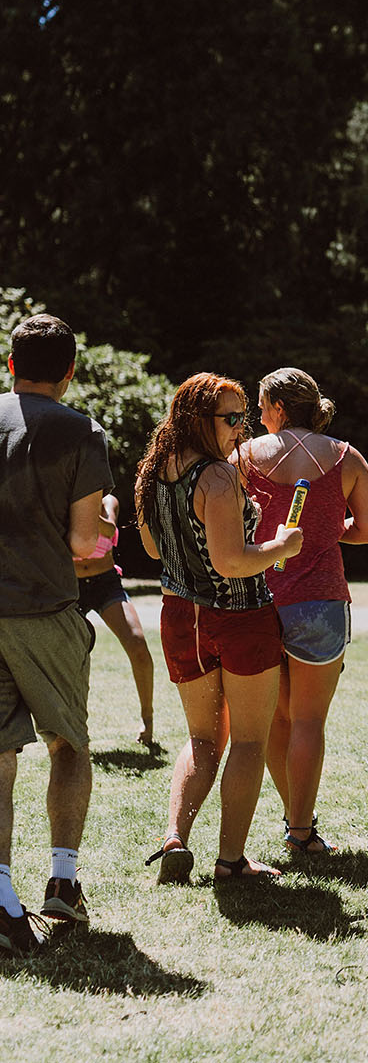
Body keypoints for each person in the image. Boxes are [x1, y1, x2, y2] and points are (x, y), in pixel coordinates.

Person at [136, 372, 302, 882]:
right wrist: (282, 546)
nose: (240, 429)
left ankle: (174, 839)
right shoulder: (217, 477)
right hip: (239, 616)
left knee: (204, 738)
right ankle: (231, 861)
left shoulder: (153, 471)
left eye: (242, 418)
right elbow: (231, 563)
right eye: (230, 419)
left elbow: (152, 550)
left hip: (179, 618)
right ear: (197, 420)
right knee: (249, 741)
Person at [0, 314, 114, 953]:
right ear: (70, 370)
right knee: (67, 744)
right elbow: (85, 547)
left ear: (10, 363)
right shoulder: (81, 432)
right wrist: (110, 524)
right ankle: (62, 883)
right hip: (45, 611)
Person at [236, 367, 368, 856]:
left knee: (275, 720)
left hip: (256, 600)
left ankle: (296, 820)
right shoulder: (346, 456)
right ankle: (301, 830)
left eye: (261, 406)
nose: (257, 416)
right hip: (320, 601)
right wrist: (328, 528)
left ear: (278, 408)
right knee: (307, 723)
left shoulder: (243, 457)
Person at [73, 493, 158, 746]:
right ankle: (75, 726)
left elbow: (108, 530)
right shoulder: (60, 495)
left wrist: (87, 504)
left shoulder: (108, 501)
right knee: (72, 659)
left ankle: (148, 719)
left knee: (138, 645)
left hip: (106, 582)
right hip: (70, 585)